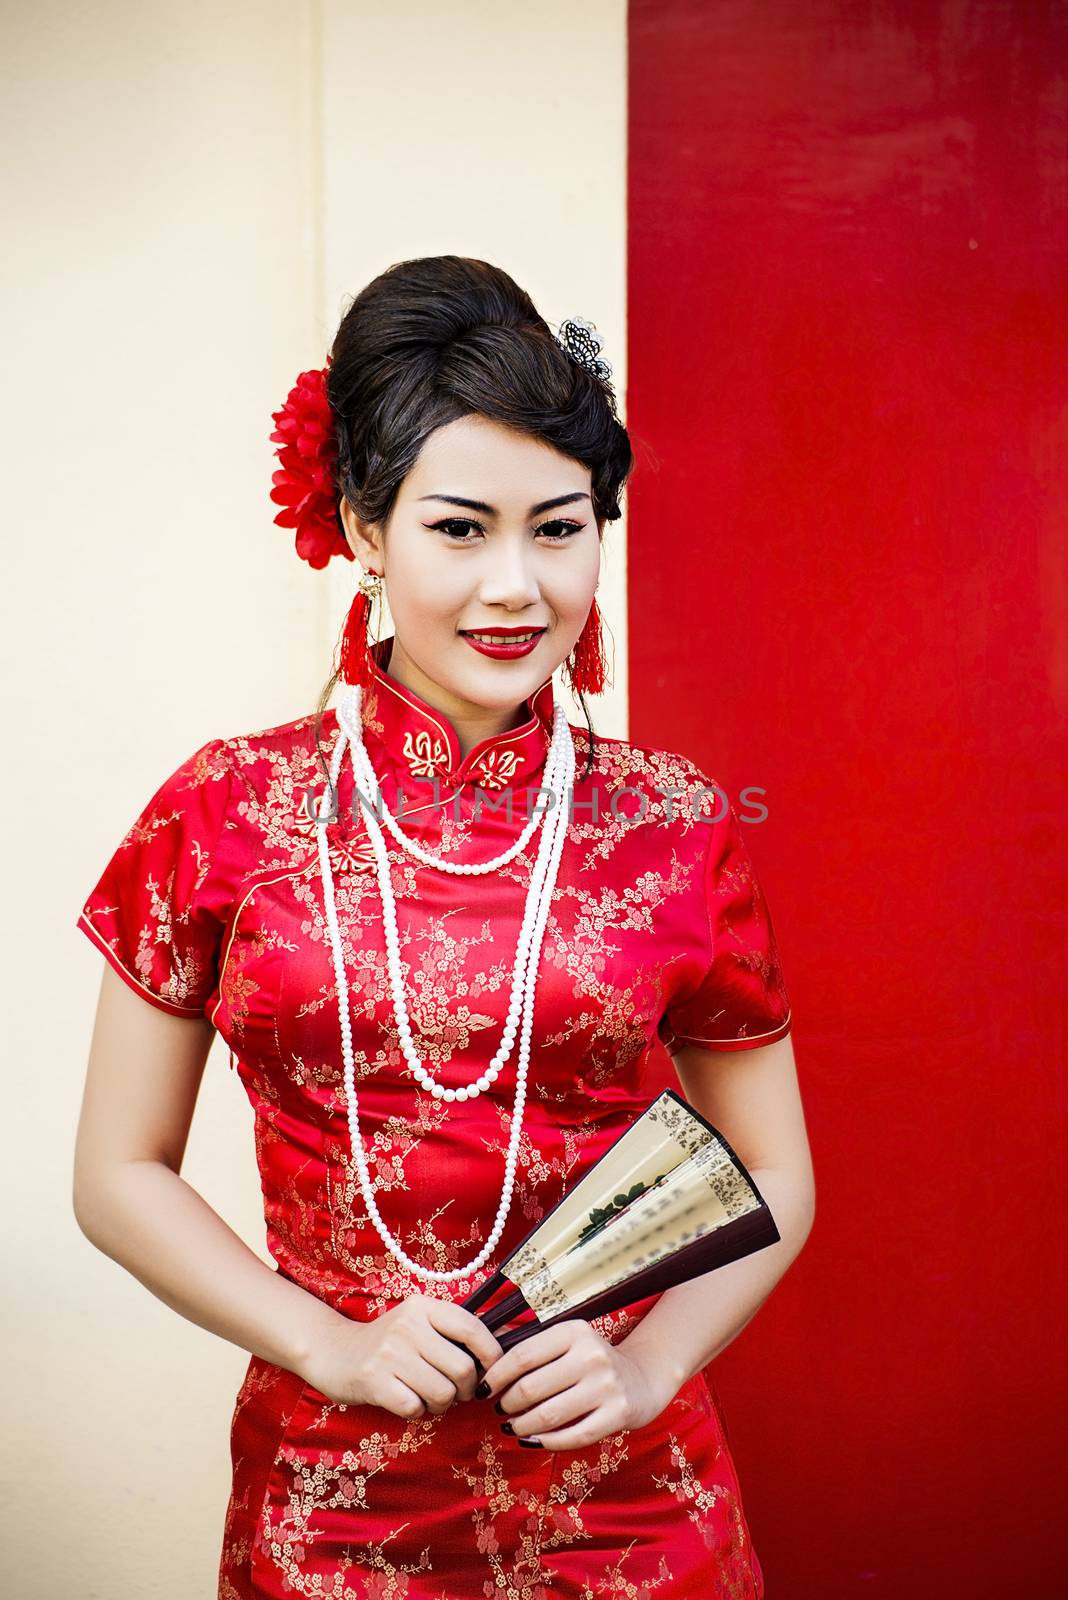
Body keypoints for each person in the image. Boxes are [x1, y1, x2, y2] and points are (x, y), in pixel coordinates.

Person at [72, 255, 815, 1600]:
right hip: (334, 1503)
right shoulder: (226, 808)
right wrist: (330, 1347)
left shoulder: (672, 821)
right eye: (460, 528)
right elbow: (118, 1171)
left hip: (633, 1506)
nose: (517, 586)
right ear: (363, 524)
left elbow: (771, 1172)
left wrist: (646, 1365)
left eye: (560, 527)